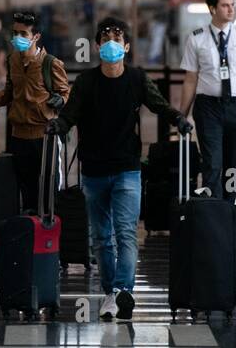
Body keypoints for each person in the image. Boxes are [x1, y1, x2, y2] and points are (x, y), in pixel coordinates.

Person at [48, 16, 191, 321]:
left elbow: (158, 105)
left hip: (127, 168)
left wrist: (178, 118)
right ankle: (110, 290)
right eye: (105, 38)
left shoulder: (137, 79)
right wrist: (58, 125)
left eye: (117, 38)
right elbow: (70, 114)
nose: (111, 43)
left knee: (125, 232)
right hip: (94, 171)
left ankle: (122, 290)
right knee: (101, 237)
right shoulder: (86, 82)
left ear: (126, 47)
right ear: (98, 45)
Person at [0, 10, 69, 214]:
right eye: (15, 33)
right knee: (24, 190)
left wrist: (59, 99)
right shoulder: (12, 61)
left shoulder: (50, 63)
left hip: (44, 137)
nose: (18, 38)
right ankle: (28, 232)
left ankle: (48, 234)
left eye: (23, 34)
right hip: (18, 135)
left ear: (36, 36)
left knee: (49, 189)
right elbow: (9, 92)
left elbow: (65, 92)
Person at [180, 0, 236, 202]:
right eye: (225, 5)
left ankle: (229, 207)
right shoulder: (197, 39)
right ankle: (213, 210)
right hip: (208, 107)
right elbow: (190, 79)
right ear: (212, 9)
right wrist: (182, 115)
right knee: (212, 162)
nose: (231, 9)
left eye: (232, 5)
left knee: (233, 165)